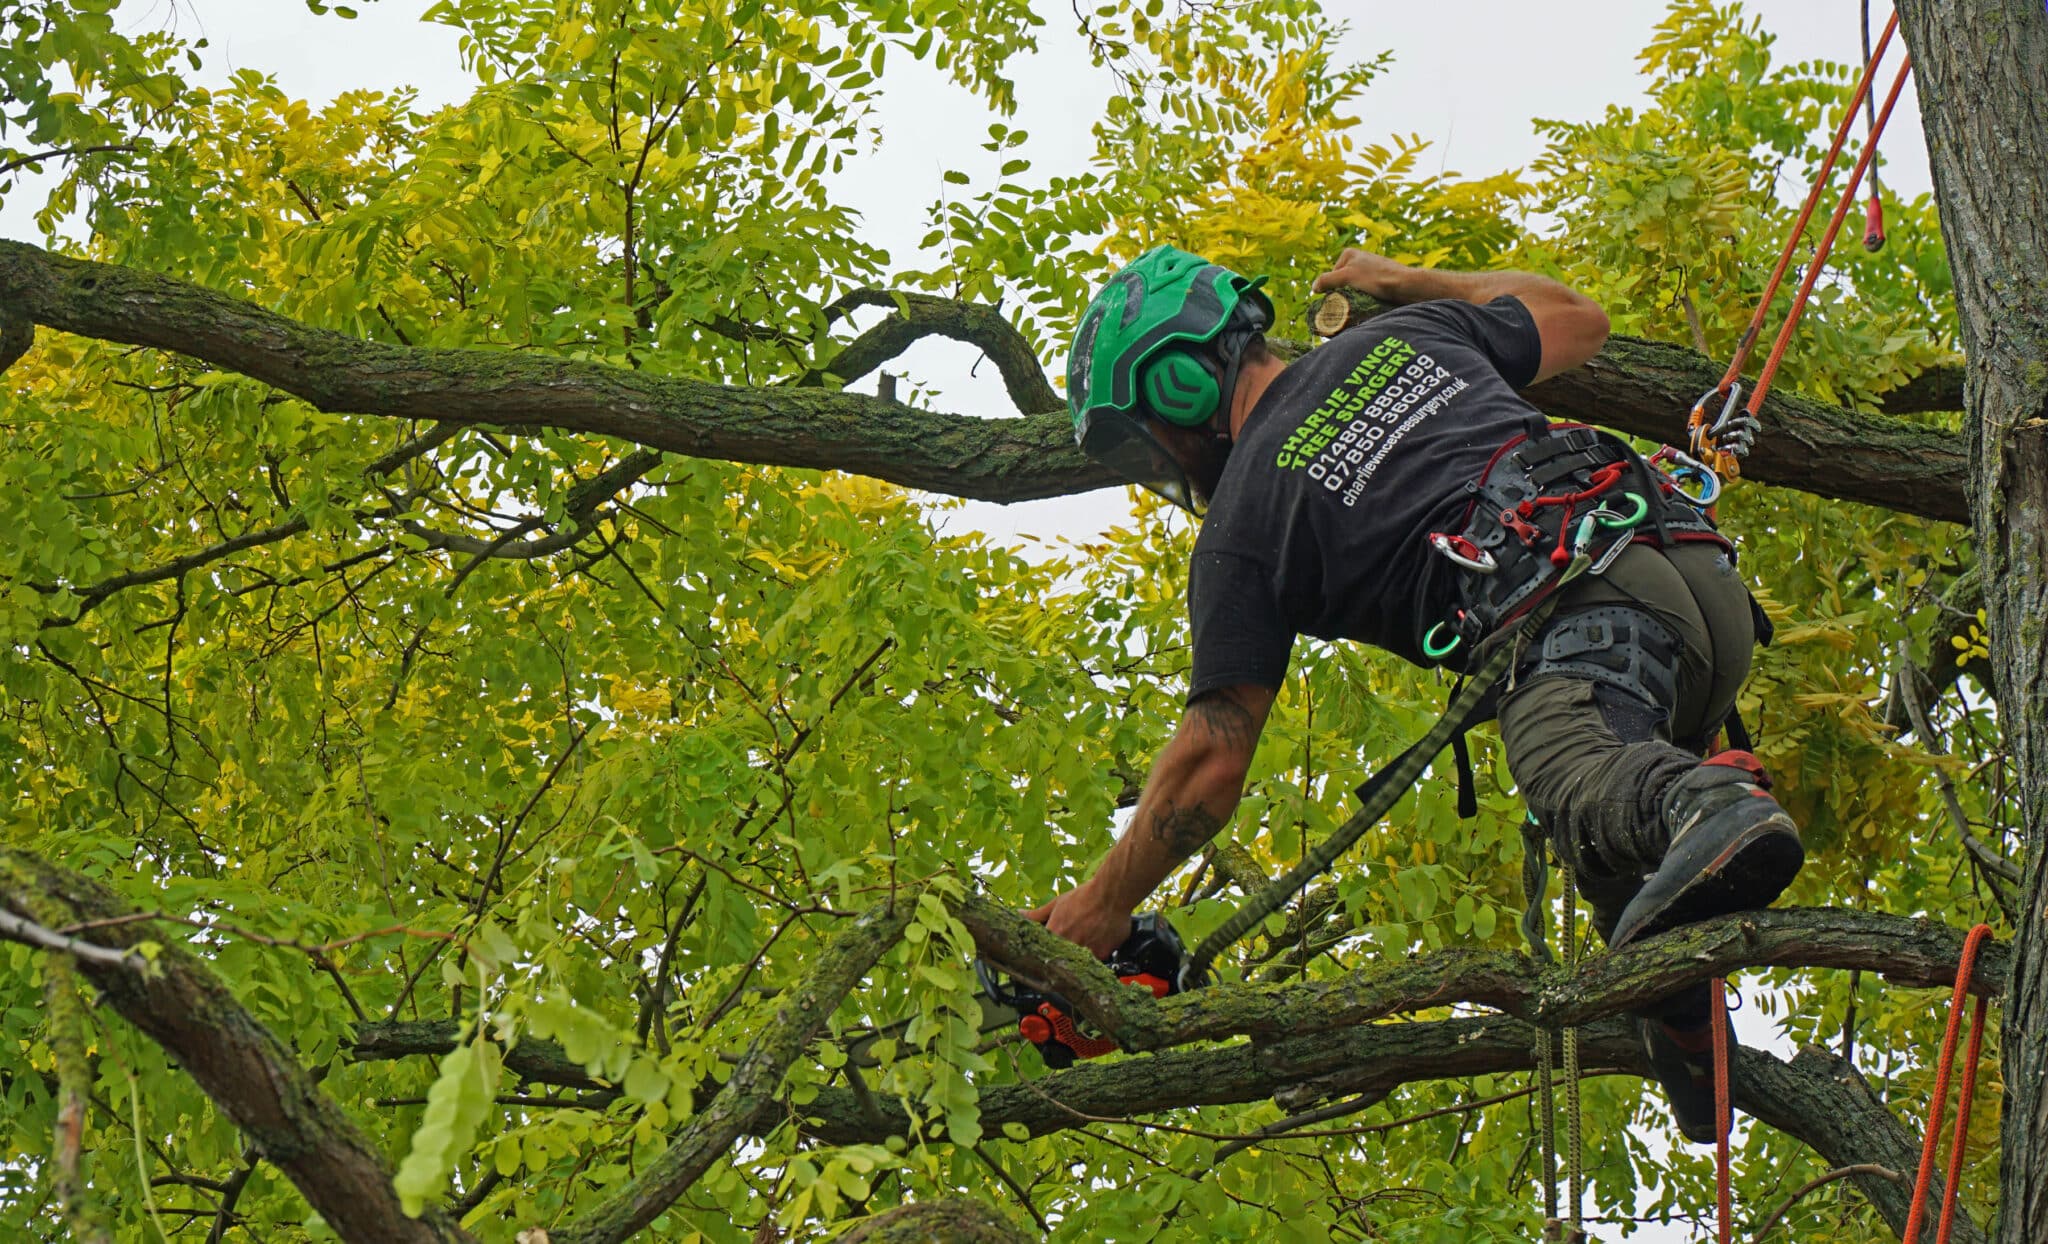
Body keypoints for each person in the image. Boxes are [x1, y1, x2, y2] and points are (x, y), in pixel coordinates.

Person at [1027, 243, 1805, 1143]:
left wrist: (1104, 902)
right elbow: (1576, 320)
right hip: (1694, 579)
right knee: (1612, 856)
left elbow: (1211, 755)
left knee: (1570, 771)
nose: (1155, 459)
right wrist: (1411, 284)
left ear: (1177, 385)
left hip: (1580, 616)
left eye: (1141, 434)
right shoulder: (1411, 334)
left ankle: (1708, 802)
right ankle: (1682, 1009)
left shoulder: (1240, 523)